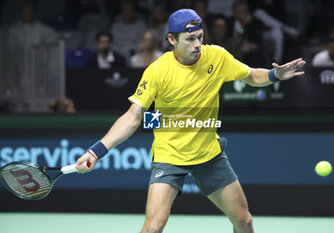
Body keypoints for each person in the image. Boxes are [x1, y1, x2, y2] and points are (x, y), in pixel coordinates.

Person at [76, 9, 305, 233]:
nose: (197, 44)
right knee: (154, 227)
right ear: (172, 39)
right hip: (169, 155)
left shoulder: (217, 56)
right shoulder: (158, 71)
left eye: (200, 37)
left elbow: (252, 75)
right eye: (190, 39)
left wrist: (275, 75)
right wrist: (96, 152)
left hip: (208, 154)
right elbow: (133, 117)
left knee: (243, 220)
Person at [228, 1, 265, 66]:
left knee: (254, 53)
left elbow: (256, 43)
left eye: (244, 11)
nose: (242, 14)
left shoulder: (255, 23)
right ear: (234, 13)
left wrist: (246, 25)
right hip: (233, 47)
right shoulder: (230, 23)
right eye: (240, 11)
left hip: (248, 50)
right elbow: (232, 38)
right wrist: (241, 43)